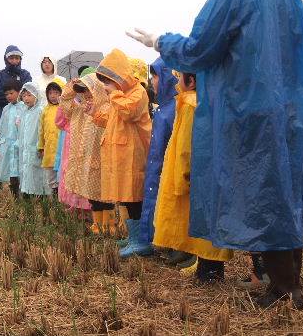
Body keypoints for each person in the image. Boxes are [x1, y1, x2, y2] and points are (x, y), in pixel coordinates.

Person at [127, 0, 303, 308]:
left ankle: (285, 288)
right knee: (285, 189)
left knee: (262, 192)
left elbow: (200, 49)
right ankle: (289, 278)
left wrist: (162, 42)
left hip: (248, 111)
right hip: (288, 113)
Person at [153, 72, 233, 282]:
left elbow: (186, 146)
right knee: (210, 220)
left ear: (192, 81)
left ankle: (209, 272)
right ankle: (209, 267)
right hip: (211, 172)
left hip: (195, 173)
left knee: (197, 220)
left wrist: (182, 175)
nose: (176, 81)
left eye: (179, 77)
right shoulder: (212, 99)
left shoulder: (190, 103)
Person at [88, 49, 151, 255]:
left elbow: (129, 112)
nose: (106, 86)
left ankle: (141, 242)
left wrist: (114, 92)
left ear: (119, 77)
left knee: (134, 197)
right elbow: (113, 120)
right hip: (120, 156)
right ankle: (133, 238)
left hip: (132, 155)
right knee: (126, 196)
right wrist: (94, 114)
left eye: (108, 80)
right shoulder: (121, 95)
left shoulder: (137, 92)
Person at [128, 59, 178, 257]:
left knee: (167, 205)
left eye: (156, 76)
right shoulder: (163, 108)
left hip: (166, 167)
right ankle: (151, 238)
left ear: (168, 78)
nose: (152, 80)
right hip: (157, 166)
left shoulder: (173, 109)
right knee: (157, 202)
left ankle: (171, 244)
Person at [58, 69, 108, 230]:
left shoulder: (106, 108)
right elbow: (65, 102)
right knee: (91, 195)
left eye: (88, 88)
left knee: (104, 195)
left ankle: (109, 225)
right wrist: (71, 87)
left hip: (101, 160)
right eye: (83, 90)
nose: (86, 93)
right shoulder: (79, 110)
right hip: (83, 160)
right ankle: (97, 224)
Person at [0, 46, 32, 187]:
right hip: (3, 118)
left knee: (22, 151)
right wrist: (12, 97)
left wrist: (20, 99)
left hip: (23, 117)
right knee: (0, 152)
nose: (14, 60)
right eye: (11, 57)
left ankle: (21, 183)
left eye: (17, 57)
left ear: (20, 59)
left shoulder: (25, 74)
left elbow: (29, 92)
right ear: (6, 58)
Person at [17, 82, 49, 197]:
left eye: (29, 95)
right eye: (24, 96)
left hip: (36, 147)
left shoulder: (41, 110)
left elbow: (43, 130)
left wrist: (42, 146)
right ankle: (27, 193)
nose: (26, 98)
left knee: (38, 171)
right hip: (26, 148)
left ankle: (40, 195)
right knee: (26, 169)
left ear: (36, 95)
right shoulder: (24, 112)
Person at [0, 79, 25, 196]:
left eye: (11, 93)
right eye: (6, 94)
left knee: (19, 168)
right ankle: (14, 194)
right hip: (7, 144)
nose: (8, 96)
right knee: (11, 169)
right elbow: (1, 128)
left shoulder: (24, 108)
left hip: (20, 144)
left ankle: (23, 193)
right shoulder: (6, 109)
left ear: (19, 92)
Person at [38, 81, 63, 194]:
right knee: (51, 173)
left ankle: (62, 193)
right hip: (49, 148)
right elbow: (41, 130)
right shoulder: (45, 110)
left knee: (62, 171)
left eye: (56, 92)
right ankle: (54, 192)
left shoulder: (64, 108)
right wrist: (41, 147)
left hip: (61, 147)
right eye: (50, 93)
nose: (53, 96)